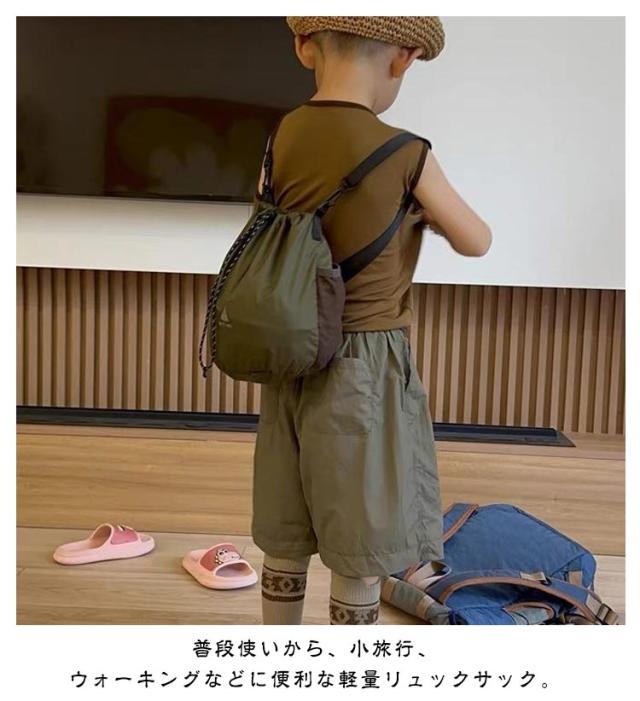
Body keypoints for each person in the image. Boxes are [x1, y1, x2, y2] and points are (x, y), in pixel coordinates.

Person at [252, 16, 492, 625]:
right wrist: (423, 215)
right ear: (403, 58)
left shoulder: (283, 134)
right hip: (364, 362)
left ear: (304, 48)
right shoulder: (407, 152)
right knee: (362, 538)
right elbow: (476, 240)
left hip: (291, 351)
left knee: (288, 525)